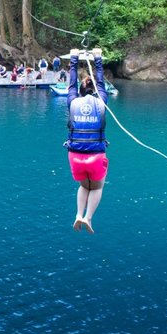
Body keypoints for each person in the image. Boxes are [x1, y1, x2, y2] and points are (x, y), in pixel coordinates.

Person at [65, 47, 108, 234]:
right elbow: (101, 83)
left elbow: (71, 83)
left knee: (84, 186)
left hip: (75, 156)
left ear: (80, 92)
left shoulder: (72, 102)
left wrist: (74, 57)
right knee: (96, 188)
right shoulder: (101, 103)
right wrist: (97, 57)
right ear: (95, 92)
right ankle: (88, 218)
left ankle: (77, 214)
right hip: (96, 156)